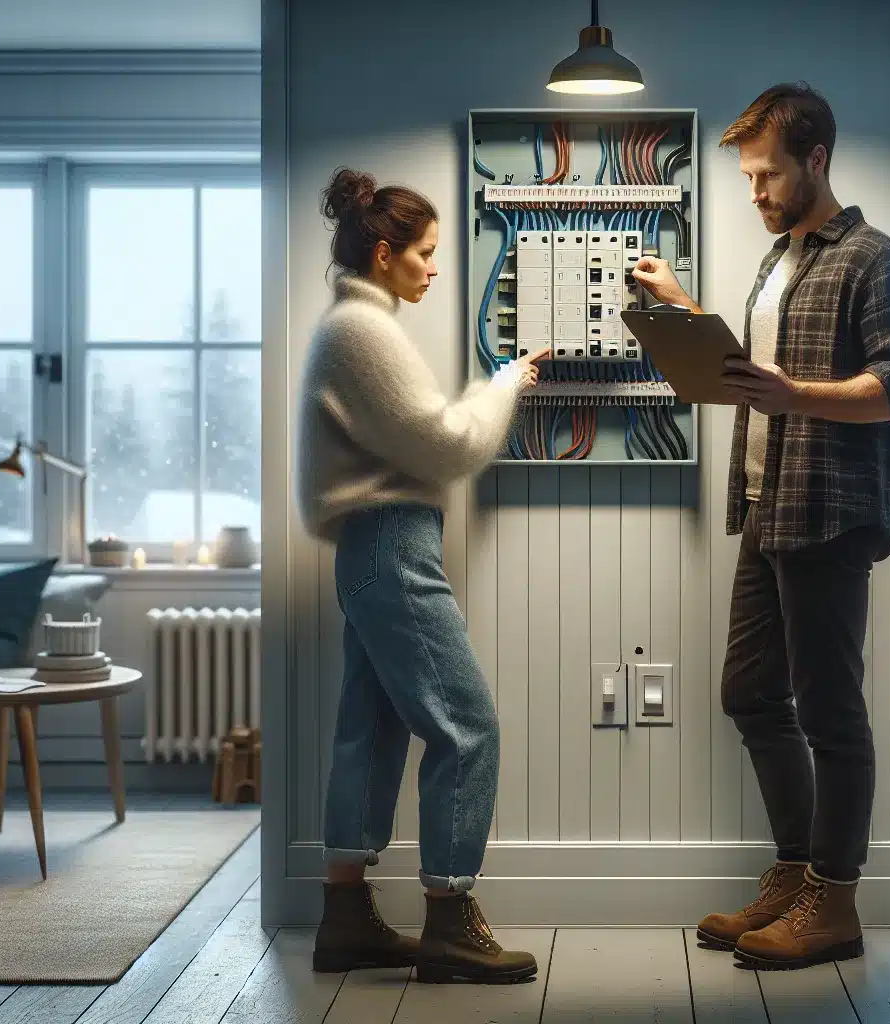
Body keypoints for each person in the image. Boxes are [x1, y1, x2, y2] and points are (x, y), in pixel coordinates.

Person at [632, 83, 890, 970]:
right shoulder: (779, 263)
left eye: (767, 176)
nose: (755, 193)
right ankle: (797, 871)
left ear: (816, 160)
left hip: (831, 516)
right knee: (750, 693)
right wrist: (683, 310)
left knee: (832, 712)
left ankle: (833, 904)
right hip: (769, 505)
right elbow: (751, 373)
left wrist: (799, 395)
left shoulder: (877, 262)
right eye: (747, 178)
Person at [297, 168, 547, 985]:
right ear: (384, 252)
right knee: (467, 726)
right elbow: (446, 444)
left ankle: (345, 921)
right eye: (427, 253)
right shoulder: (362, 334)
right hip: (393, 546)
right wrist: (504, 383)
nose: (437, 269)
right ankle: (448, 919)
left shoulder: (352, 328)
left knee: (370, 730)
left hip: (373, 549)